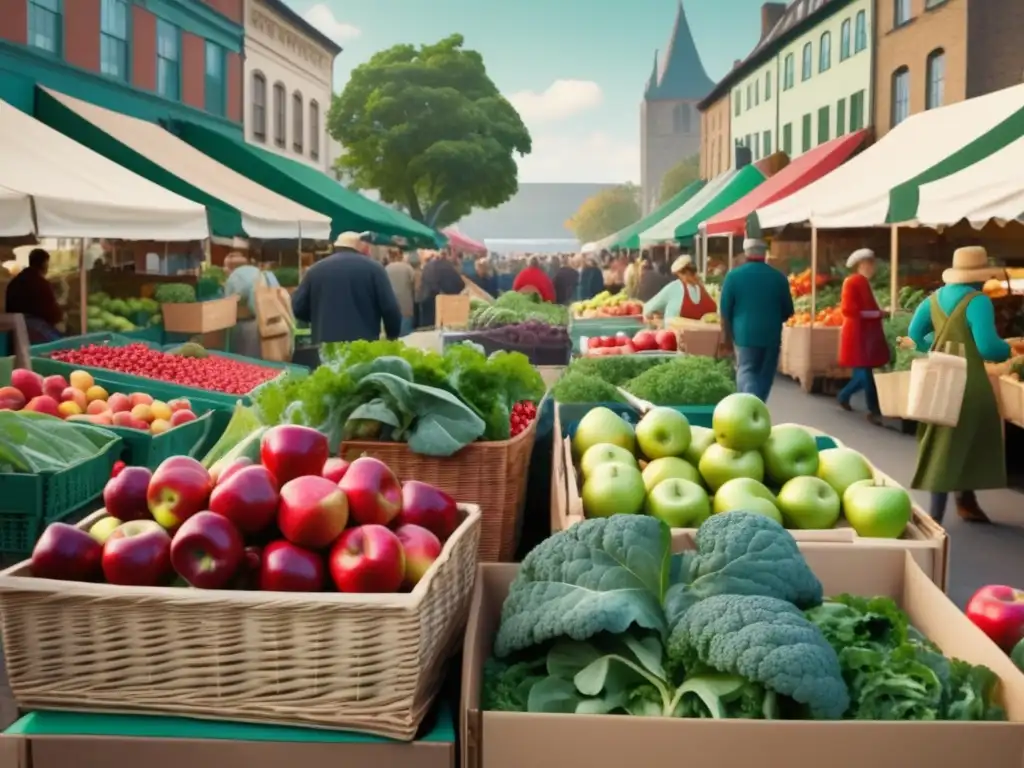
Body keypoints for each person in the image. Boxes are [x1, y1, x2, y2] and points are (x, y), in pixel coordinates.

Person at [906, 246, 1024, 524]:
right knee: (963, 442)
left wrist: (935, 349)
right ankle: (936, 515)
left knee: (946, 443)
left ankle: (965, 503)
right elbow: (987, 348)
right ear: (979, 275)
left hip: (940, 382)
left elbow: (913, 334)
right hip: (969, 384)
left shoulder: (934, 299)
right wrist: (1008, 351)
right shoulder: (978, 300)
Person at [292, 231, 402, 344]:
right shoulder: (375, 269)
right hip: (362, 347)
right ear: (360, 247)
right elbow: (390, 309)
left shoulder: (315, 270)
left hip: (325, 347)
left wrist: (319, 317)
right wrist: (392, 337)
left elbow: (297, 307)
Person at [720, 238, 794, 402]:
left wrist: (726, 337)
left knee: (746, 370)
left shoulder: (733, 276)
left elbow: (725, 310)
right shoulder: (779, 277)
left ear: (746, 254)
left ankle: (749, 404)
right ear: (765, 254)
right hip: (771, 335)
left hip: (744, 335)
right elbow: (789, 310)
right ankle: (757, 405)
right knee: (765, 375)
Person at [837, 249, 890, 424]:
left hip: (862, 333)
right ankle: (873, 410)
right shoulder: (853, 282)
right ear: (861, 265)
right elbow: (850, 310)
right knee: (865, 373)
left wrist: (878, 313)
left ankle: (844, 395)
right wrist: (879, 314)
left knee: (863, 371)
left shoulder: (861, 282)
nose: (873, 267)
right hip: (857, 333)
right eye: (870, 264)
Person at [223, 251, 281, 358]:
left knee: (247, 358)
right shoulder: (257, 272)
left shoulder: (234, 277)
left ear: (231, 267)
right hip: (268, 318)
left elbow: (227, 304)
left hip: (247, 324)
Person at [6, 248, 63, 343]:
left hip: (15, 329)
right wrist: (60, 316)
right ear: (44, 263)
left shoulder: (15, 281)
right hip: (34, 329)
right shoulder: (40, 283)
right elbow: (51, 312)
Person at [642, 255, 717, 322]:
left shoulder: (675, 287)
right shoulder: (702, 289)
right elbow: (713, 310)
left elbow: (648, 309)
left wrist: (659, 319)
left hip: (675, 335)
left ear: (682, 273)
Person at [417, 250, 465, 326]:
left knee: (427, 327)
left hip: (427, 301)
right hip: (445, 304)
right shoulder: (448, 266)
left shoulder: (427, 266)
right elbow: (461, 284)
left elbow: (426, 284)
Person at [385, 249, 416, 337]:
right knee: (406, 335)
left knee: (393, 335)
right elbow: (414, 283)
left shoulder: (386, 268)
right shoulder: (408, 268)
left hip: (391, 304)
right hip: (406, 304)